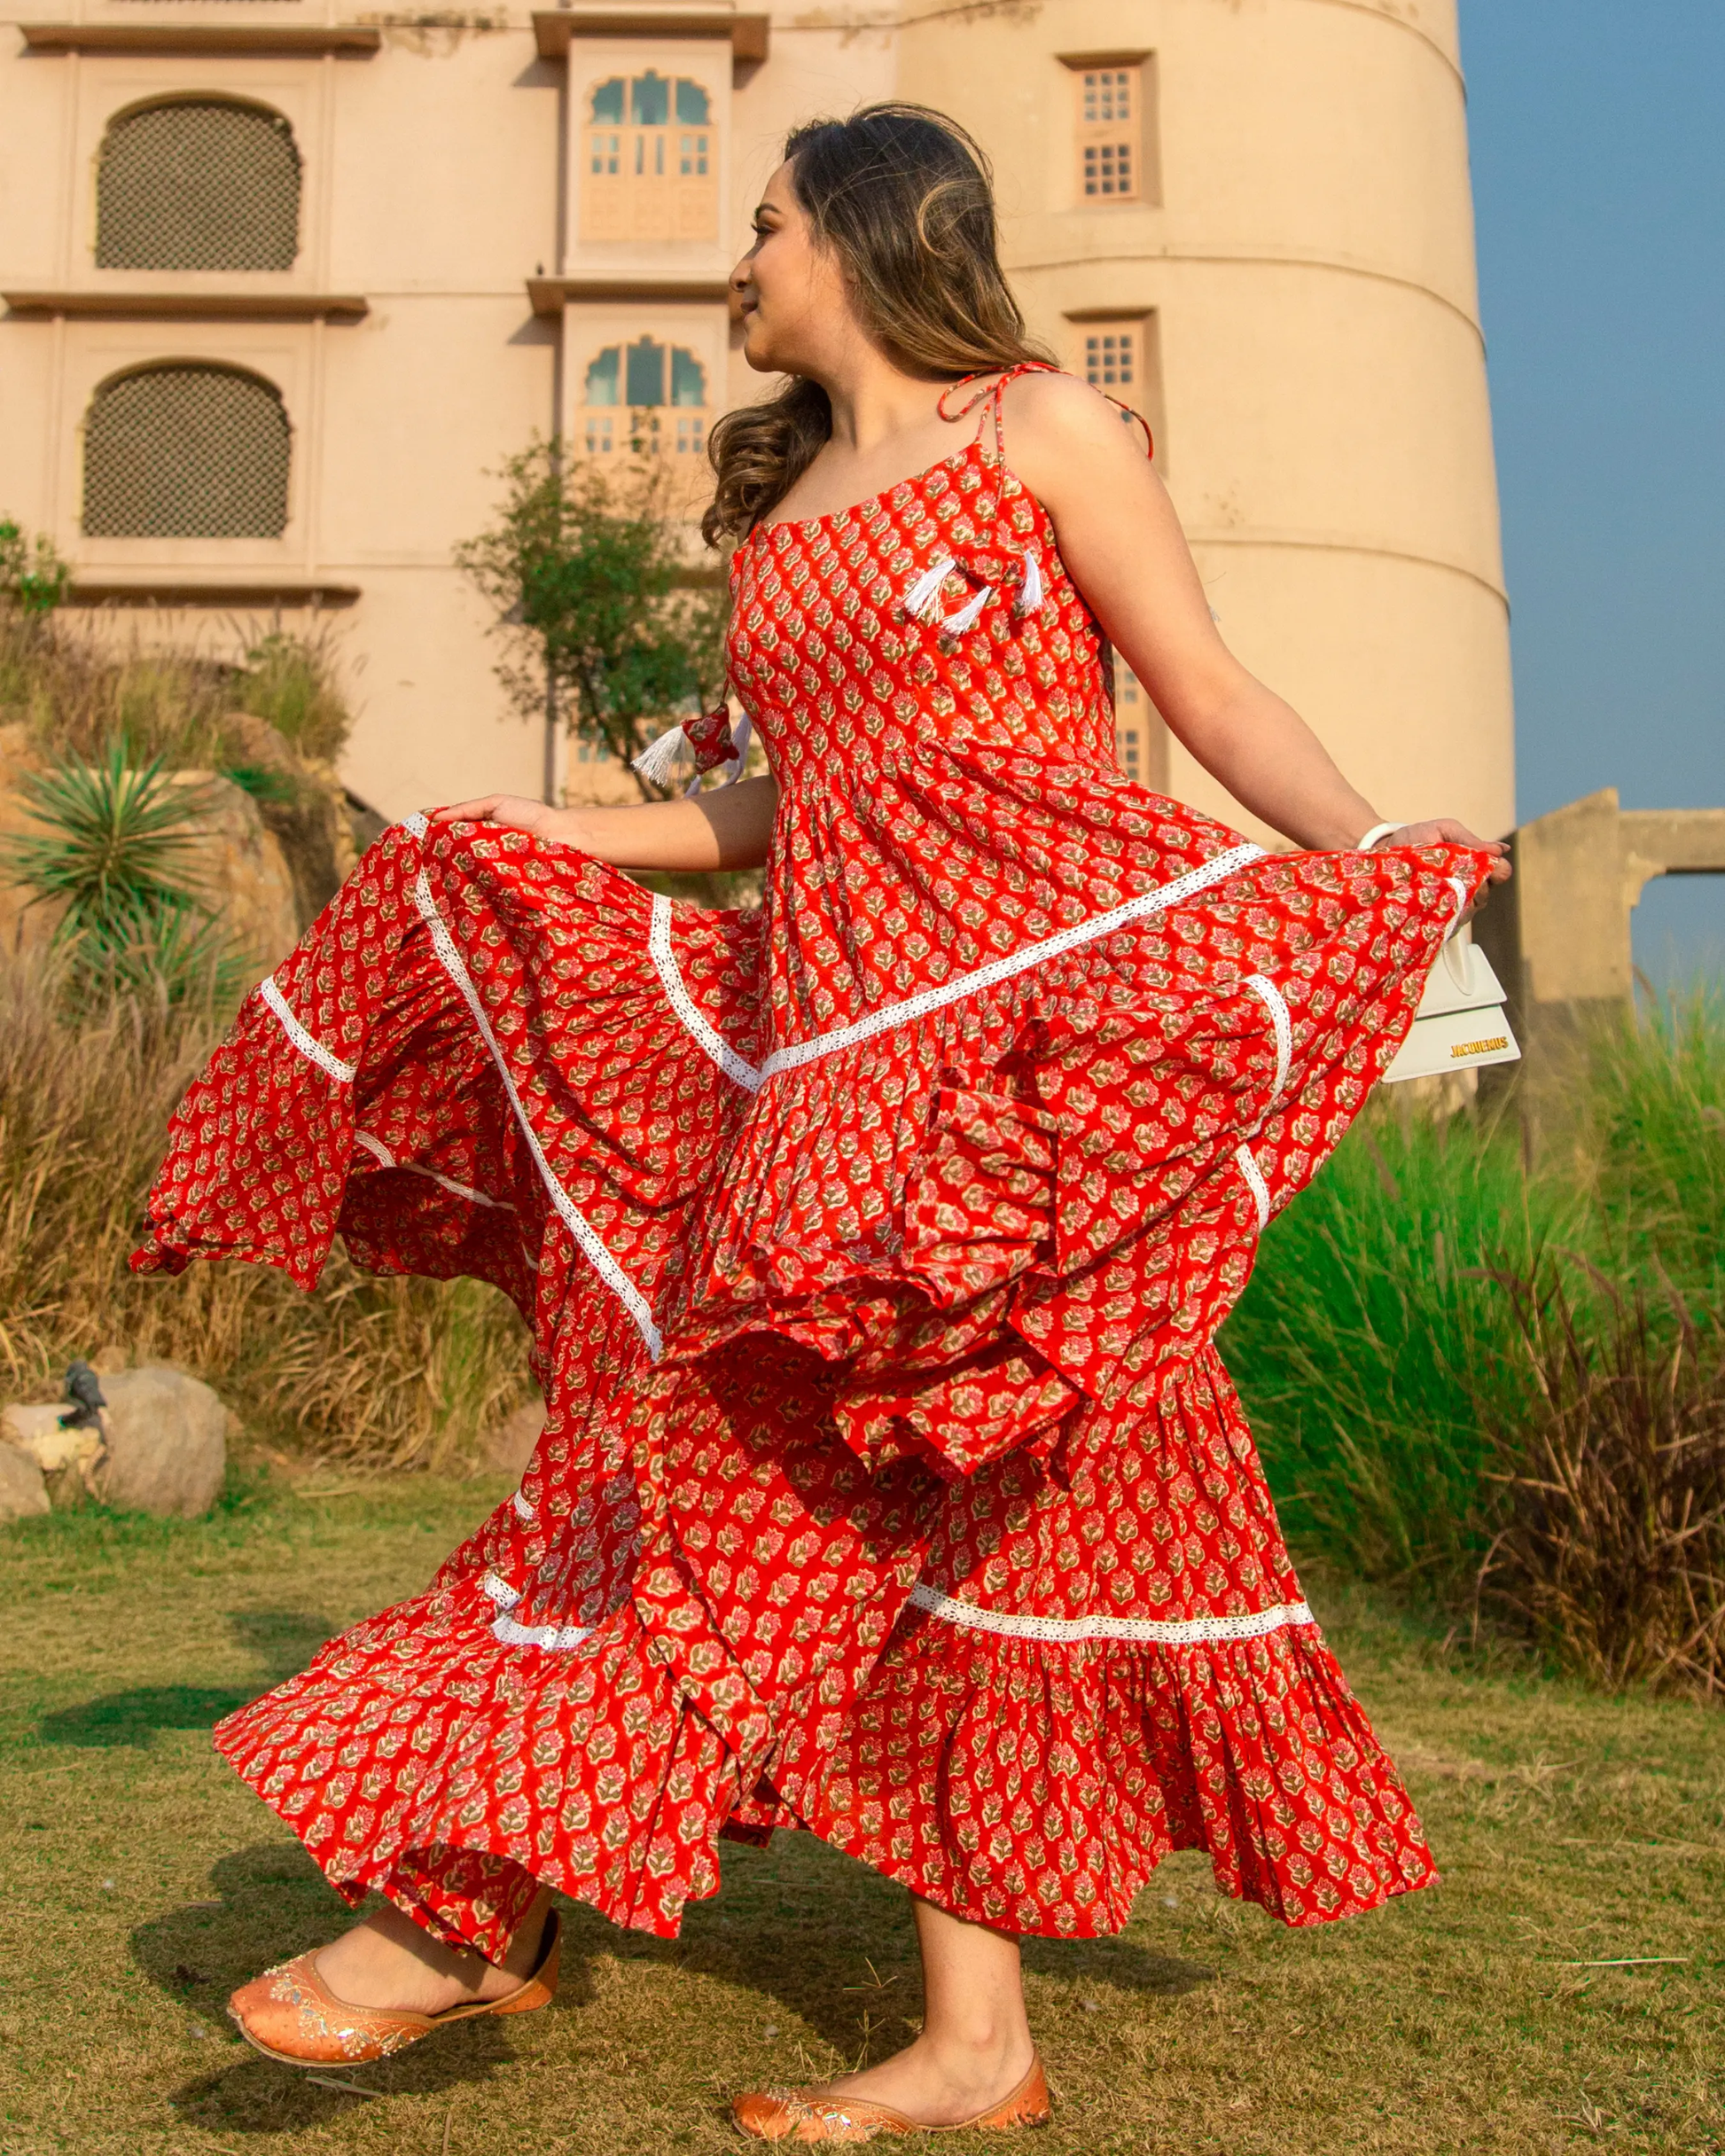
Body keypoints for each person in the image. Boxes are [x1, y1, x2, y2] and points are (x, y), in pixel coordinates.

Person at [136, 103, 1508, 2141]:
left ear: (862, 237)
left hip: (1017, 1025)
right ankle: (965, 2040)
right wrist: (560, 830)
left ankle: (470, 1905)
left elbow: (1205, 693)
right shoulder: (785, 522)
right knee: (935, 1484)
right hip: (838, 1032)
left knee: (745, 1454)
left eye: (766, 222)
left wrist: (1402, 890)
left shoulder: (1041, 431)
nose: (740, 258)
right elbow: (792, 806)